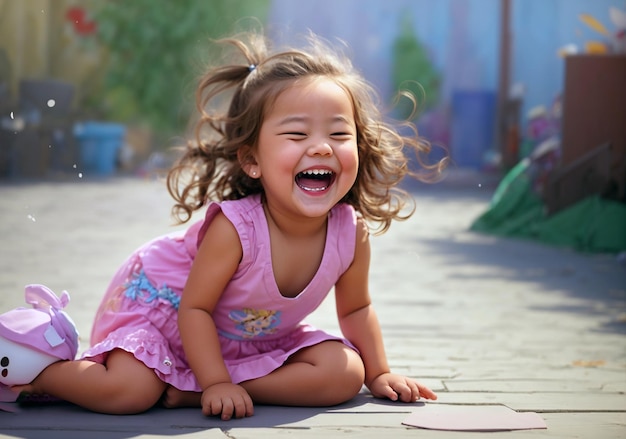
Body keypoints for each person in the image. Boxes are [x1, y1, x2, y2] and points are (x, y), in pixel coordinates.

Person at [12, 30, 444, 420]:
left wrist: (380, 372)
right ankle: (43, 375)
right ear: (252, 160)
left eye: (338, 134)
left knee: (345, 373)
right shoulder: (236, 228)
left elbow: (356, 309)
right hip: (166, 317)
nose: (321, 148)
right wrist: (216, 381)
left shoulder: (351, 232)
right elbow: (194, 310)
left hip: (250, 341)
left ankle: (195, 389)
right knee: (129, 392)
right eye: (296, 136)